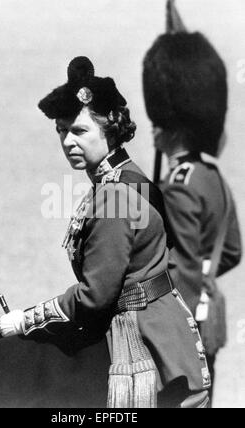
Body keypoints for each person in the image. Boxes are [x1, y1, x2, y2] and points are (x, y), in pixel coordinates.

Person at [0, 57, 210, 408]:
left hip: (137, 340)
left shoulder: (114, 196)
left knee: (9, 365)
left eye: (79, 131)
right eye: (62, 131)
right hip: (155, 328)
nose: (67, 142)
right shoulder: (127, 178)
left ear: (109, 130)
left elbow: (95, 297)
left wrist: (25, 319)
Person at [143, 31, 242, 404]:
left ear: (174, 126)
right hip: (208, 313)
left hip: (183, 325)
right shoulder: (213, 178)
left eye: (160, 123)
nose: (154, 128)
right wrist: (205, 274)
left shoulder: (180, 184)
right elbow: (231, 251)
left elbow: (179, 270)